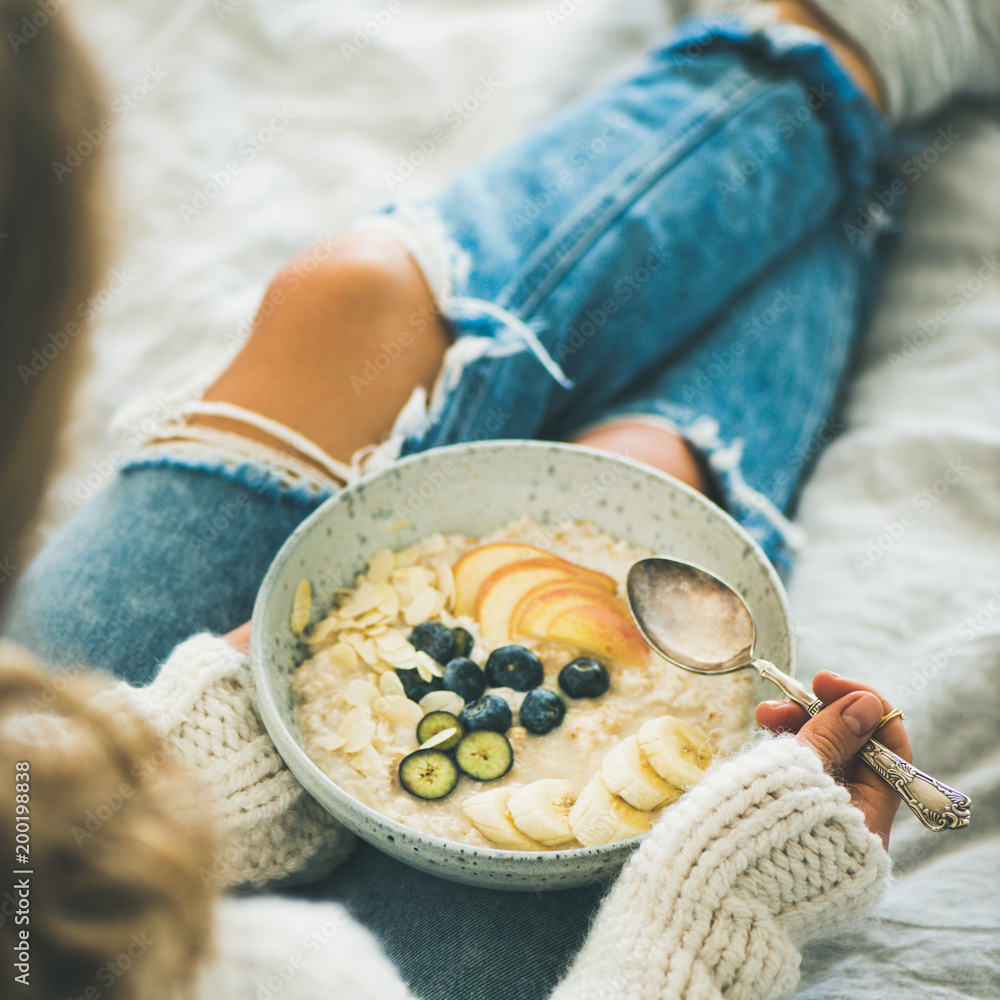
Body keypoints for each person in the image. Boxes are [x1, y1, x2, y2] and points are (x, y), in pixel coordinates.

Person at [2, 0, 997, 997]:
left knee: (343, 305)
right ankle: (859, 72)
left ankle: (837, 60)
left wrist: (157, 787)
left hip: (59, 805)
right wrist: (709, 930)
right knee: (649, 487)